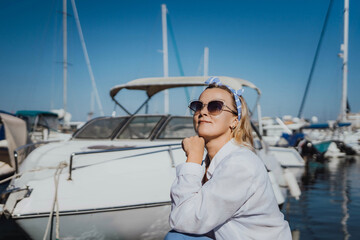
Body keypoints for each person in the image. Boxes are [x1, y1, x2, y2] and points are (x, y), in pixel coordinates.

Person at [164, 77, 291, 240]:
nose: (203, 112)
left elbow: (183, 220)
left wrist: (193, 159)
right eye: (198, 106)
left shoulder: (240, 164)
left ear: (234, 120)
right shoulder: (216, 161)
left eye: (215, 107)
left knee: (177, 238)